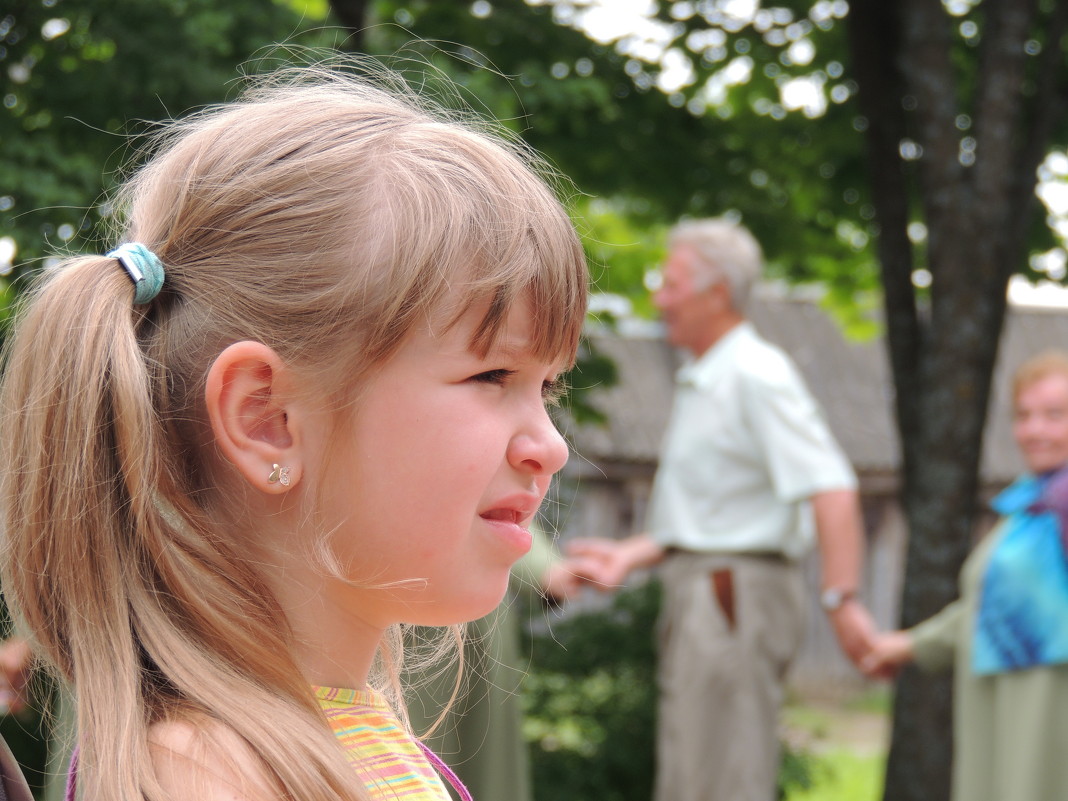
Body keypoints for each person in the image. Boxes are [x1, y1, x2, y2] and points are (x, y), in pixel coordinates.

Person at [0, 63, 588, 801]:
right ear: (267, 420)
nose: (551, 445)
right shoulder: (212, 776)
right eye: (492, 377)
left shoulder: (337, 734)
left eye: (548, 388)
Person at [569, 217, 877, 801]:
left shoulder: (755, 374)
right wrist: (629, 555)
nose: (659, 298)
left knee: (726, 774)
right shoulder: (708, 376)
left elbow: (832, 486)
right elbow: (711, 516)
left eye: (672, 283)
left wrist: (843, 601)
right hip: (710, 586)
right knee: (694, 766)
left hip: (732, 592)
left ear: (717, 293)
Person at [863, 349, 1068, 801]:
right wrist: (910, 645)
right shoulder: (1027, 507)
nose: (1035, 430)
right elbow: (989, 609)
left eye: (1055, 415)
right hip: (999, 713)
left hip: (1049, 722)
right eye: (1025, 415)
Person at [407, 526, 584, 801]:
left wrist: (545, 568)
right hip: (404, 615)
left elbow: (501, 504)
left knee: (485, 764)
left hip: (482, 630)